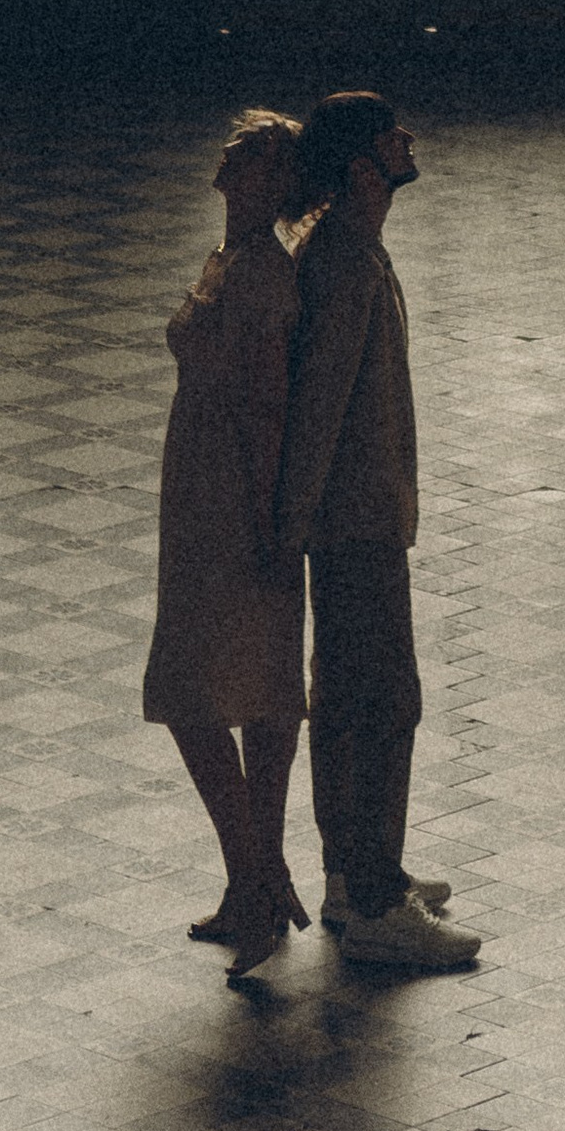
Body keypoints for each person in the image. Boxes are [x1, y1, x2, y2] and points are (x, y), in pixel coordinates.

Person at [276, 92, 480, 970]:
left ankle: (353, 875)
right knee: (383, 701)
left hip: (356, 513)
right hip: (354, 519)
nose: (409, 137)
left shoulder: (351, 248)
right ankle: (373, 901)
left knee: (349, 696)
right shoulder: (347, 263)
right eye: (392, 132)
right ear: (363, 166)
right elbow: (320, 403)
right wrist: (296, 519)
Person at [141, 107, 313, 967]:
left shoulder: (261, 277)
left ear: (275, 183)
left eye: (252, 153)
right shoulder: (232, 259)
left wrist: (273, 521)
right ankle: (254, 880)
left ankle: (255, 878)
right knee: (239, 689)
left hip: (234, 505)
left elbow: (270, 409)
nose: (230, 154)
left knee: (214, 691)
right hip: (205, 494)